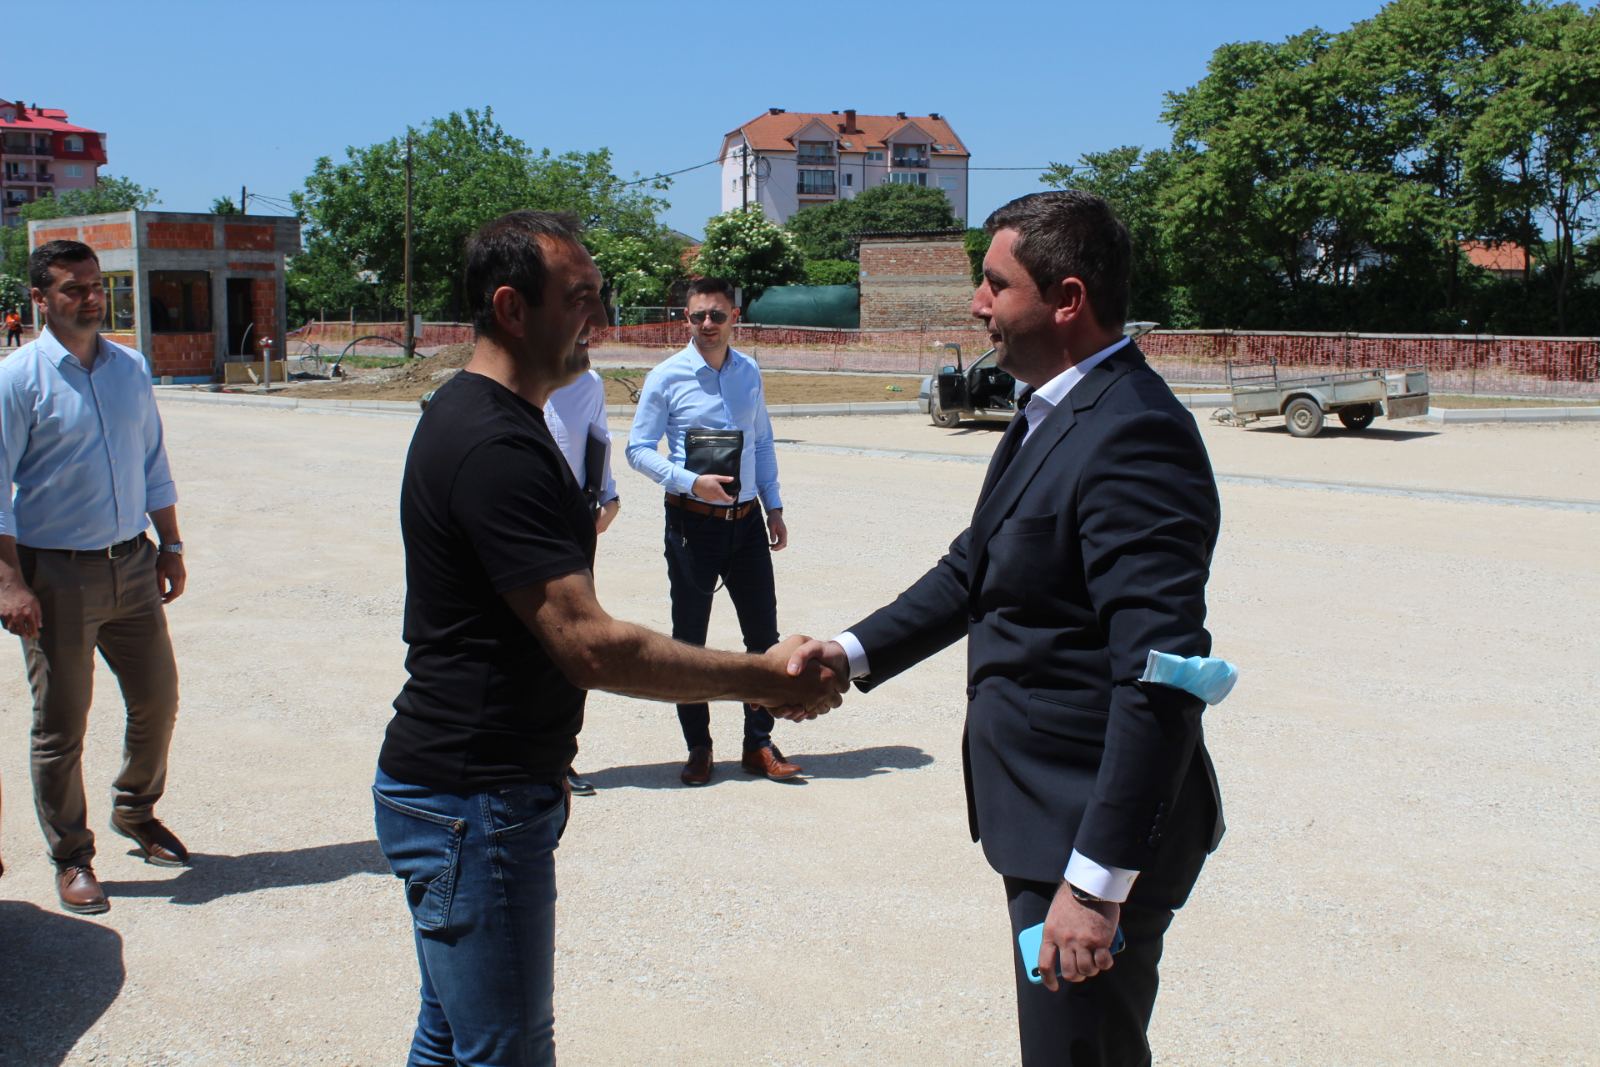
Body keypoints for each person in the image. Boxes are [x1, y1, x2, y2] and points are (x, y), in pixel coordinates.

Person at [374, 210, 843, 1066]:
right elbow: (589, 644)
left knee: (450, 1041)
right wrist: (764, 678)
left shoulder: (491, 417)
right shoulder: (493, 442)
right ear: (512, 308)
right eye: (580, 298)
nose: (600, 317)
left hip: (467, 786)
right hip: (474, 798)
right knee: (505, 1051)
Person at [786, 191, 1224, 1065]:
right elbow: (974, 569)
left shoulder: (1134, 432)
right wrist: (849, 653)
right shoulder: (1054, 410)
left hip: (1084, 833)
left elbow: (1162, 674)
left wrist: (1095, 885)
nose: (976, 303)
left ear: (1067, 299)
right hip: (1044, 819)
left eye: (995, 283)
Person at [0, 240, 191, 916]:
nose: (90, 298)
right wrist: (10, 583)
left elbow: (152, 460)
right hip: (56, 575)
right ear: (39, 299)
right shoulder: (17, 378)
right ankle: (72, 856)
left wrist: (170, 542)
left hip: (132, 563)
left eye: (95, 285)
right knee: (61, 724)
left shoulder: (128, 367)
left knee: (157, 700)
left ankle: (135, 808)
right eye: (73, 288)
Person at [625, 277, 799, 785]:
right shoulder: (666, 377)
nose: (707, 324)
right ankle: (698, 747)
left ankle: (758, 744)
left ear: (734, 318)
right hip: (691, 525)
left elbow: (761, 442)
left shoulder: (749, 372)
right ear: (686, 318)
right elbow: (637, 449)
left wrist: (773, 506)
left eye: (717, 315)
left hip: (745, 524)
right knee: (689, 643)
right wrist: (690, 481)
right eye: (698, 315)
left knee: (763, 638)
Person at [544, 366, 619, 796]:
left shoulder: (588, 383)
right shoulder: (513, 377)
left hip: (574, 525)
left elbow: (597, 440)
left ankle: (559, 757)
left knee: (570, 640)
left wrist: (609, 498)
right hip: (521, 521)